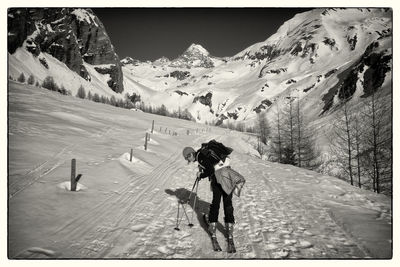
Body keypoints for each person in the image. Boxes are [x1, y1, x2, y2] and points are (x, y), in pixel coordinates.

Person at [182, 146, 236, 253]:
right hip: (228, 174)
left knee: (216, 203)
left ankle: (212, 227)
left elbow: (210, 169)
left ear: (190, 154)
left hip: (218, 178)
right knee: (227, 202)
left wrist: (201, 175)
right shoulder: (204, 154)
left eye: (187, 158)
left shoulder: (200, 156)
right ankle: (229, 229)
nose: (188, 160)